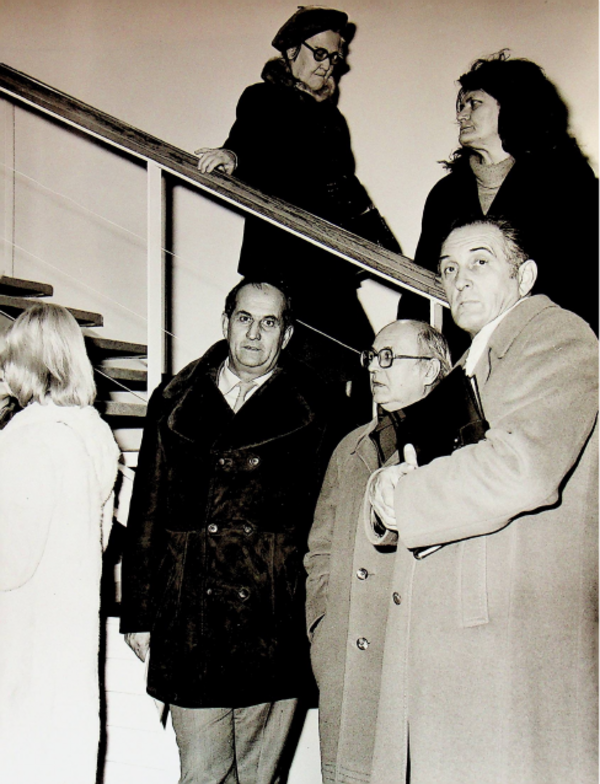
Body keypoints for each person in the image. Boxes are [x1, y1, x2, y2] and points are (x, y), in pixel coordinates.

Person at [367, 218, 598, 784]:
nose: (459, 279)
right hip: (461, 638)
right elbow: (426, 470)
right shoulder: (470, 364)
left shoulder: (555, 335)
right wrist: (382, 492)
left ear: (525, 277)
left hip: (510, 639)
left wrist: (406, 497)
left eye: (479, 262)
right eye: (448, 268)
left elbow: (522, 468)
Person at [120, 278, 343, 784]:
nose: (255, 334)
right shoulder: (174, 399)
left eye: (269, 322)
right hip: (190, 617)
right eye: (245, 319)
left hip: (274, 613)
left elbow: (326, 522)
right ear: (225, 323)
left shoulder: (318, 407)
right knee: (203, 773)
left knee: (262, 776)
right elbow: (146, 510)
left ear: (287, 335)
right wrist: (139, 612)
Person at [196, 6, 401, 423]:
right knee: (293, 374)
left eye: (335, 58)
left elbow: (344, 187)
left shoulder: (334, 120)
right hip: (281, 265)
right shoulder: (263, 98)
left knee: (363, 361)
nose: (328, 65)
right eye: (319, 53)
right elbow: (246, 139)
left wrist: (384, 248)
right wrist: (232, 156)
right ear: (291, 51)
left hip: (327, 267)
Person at [304, 319, 450, 784]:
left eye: (389, 358)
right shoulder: (351, 447)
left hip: (414, 665)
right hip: (346, 665)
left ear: (429, 370)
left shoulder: (459, 445)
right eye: (372, 357)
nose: (373, 368)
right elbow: (320, 548)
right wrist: (322, 626)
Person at [0, 302, 120, 784]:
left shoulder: (30, 442)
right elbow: (101, 539)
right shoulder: (92, 438)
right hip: (68, 639)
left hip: (22, 641)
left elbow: (10, 561)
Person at [411, 51, 598, 339]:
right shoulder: (445, 194)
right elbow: (420, 283)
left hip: (544, 343)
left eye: (474, 103)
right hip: (461, 351)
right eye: (461, 106)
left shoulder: (567, 180)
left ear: (512, 106)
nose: (461, 115)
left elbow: (585, 279)